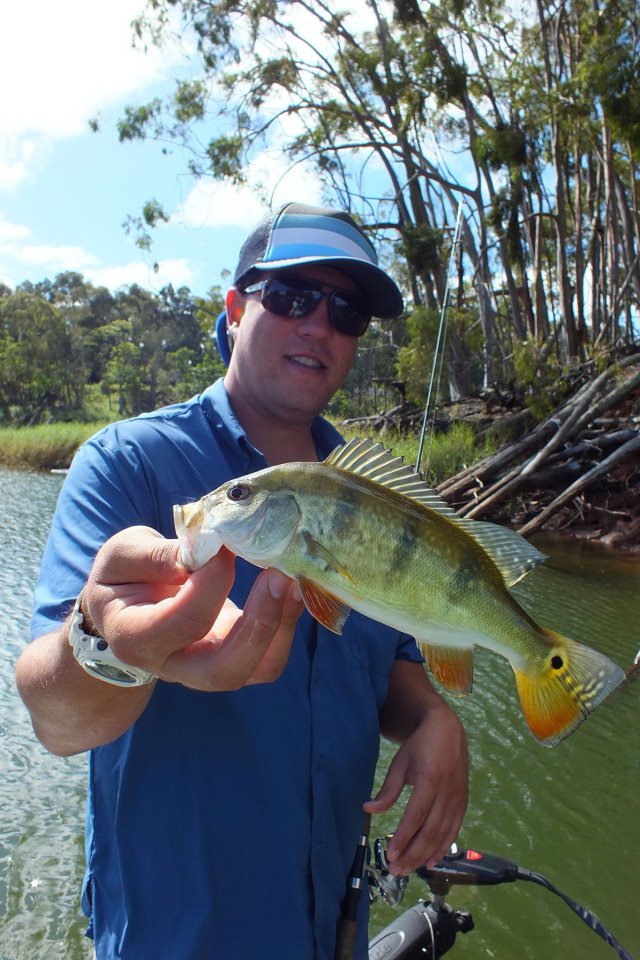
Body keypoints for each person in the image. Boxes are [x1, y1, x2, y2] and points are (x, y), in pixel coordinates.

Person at [16, 202, 468, 960]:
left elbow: (386, 659)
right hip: (176, 939)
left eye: (347, 312)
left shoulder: (370, 501)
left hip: (332, 933)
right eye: (290, 297)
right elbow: (55, 721)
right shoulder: (128, 465)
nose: (318, 324)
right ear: (234, 308)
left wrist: (433, 720)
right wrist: (112, 645)